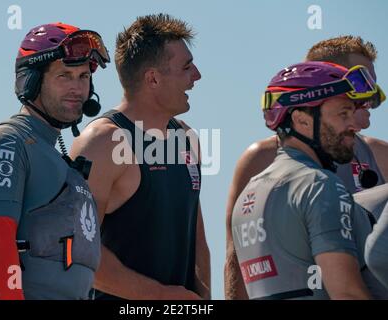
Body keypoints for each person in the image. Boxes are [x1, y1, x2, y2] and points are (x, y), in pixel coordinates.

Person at [0, 22, 110, 299]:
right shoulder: (9, 142)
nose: (77, 88)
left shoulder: (58, 158)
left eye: (84, 77)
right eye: (65, 75)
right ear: (33, 80)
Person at [225, 36, 387, 299]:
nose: (355, 124)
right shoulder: (320, 183)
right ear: (301, 120)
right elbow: (347, 293)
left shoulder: (254, 188)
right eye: (343, 113)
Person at [70, 13, 211, 300]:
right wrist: (157, 295)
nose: (197, 76)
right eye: (186, 67)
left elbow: (197, 240)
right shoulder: (102, 142)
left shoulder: (186, 138)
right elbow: (77, 246)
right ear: (153, 78)